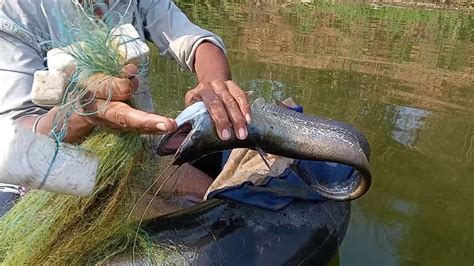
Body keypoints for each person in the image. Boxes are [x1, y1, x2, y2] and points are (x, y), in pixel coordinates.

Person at [0, 0, 250, 202]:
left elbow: (196, 41)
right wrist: (79, 114)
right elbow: (16, 132)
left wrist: (214, 82)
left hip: (138, 154)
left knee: (223, 201)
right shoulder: (14, 11)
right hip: (48, 173)